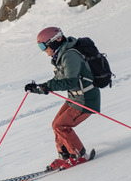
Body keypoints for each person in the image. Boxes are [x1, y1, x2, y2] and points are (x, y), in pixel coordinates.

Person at [25, 27, 100, 170]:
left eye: (43, 46)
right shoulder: (61, 56)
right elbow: (58, 81)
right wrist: (39, 88)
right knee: (56, 125)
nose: (43, 50)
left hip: (86, 98)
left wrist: (47, 86)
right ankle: (65, 156)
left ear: (56, 40)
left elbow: (70, 81)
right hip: (76, 97)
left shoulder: (70, 55)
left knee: (61, 126)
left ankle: (79, 155)